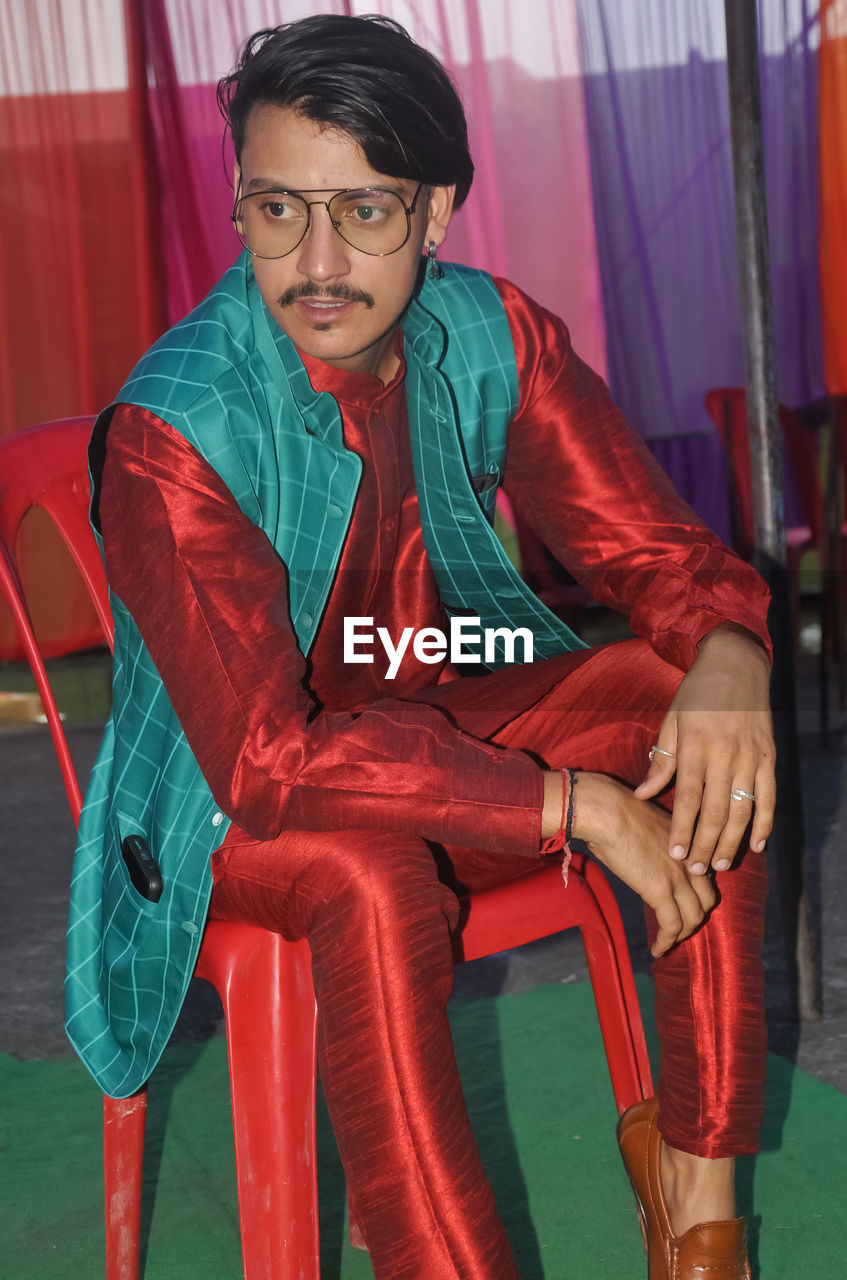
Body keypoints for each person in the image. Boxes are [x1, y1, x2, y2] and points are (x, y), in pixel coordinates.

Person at [65, 14, 775, 1280]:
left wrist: (728, 652)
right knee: (367, 869)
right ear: (236, 205)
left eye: (368, 212)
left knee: (684, 704)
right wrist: (574, 804)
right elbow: (268, 761)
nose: (319, 263)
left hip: (441, 729)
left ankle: (698, 1205)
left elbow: (651, 551)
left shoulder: (491, 333)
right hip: (230, 813)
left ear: (437, 209)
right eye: (278, 209)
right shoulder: (176, 429)